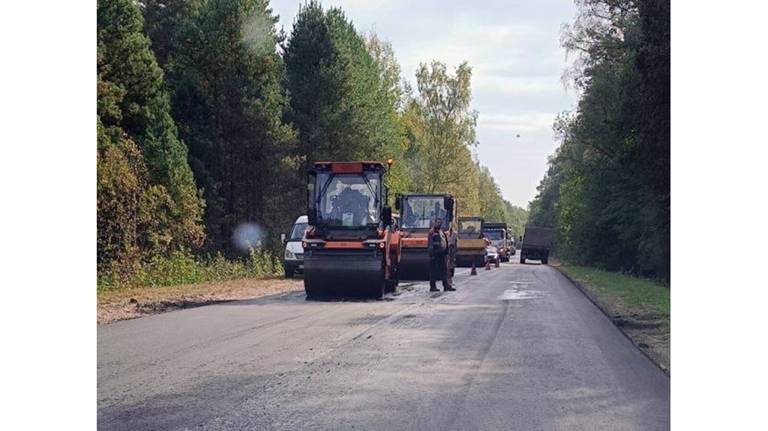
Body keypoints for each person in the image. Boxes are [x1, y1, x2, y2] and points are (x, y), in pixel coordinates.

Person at [427, 217, 455, 292]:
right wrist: (431, 254)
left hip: (441, 254)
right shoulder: (432, 232)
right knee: (433, 271)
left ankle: (446, 286)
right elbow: (430, 244)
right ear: (434, 223)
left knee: (444, 270)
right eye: (437, 222)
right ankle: (433, 287)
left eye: (440, 222)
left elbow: (444, 241)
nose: (439, 224)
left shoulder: (441, 231)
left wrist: (446, 252)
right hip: (435, 255)